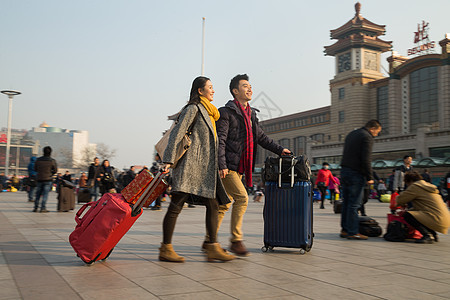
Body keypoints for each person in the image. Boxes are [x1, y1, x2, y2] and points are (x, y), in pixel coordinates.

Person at [211, 74, 291, 256]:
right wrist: (221, 164)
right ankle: (236, 240)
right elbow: (220, 140)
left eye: (250, 86)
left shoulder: (251, 114)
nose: (249, 89)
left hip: (240, 167)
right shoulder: (226, 112)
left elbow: (260, 138)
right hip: (228, 167)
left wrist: (280, 150)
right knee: (242, 198)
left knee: (224, 205)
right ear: (235, 91)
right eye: (245, 86)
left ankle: (210, 240)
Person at [160, 76, 234, 263]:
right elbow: (177, 133)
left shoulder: (210, 112)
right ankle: (166, 248)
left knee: (213, 204)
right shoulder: (193, 109)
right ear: (200, 91)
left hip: (205, 169)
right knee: (176, 205)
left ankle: (212, 247)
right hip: (190, 167)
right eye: (210, 87)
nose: (213, 90)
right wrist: (168, 160)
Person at [339, 120, 381, 240]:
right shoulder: (367, 137)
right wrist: (369, 177)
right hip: (356, 173)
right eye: (377, 132)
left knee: (346, 202)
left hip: (345, 171)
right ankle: (353, 232)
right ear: (372, 128)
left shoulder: (352, 134)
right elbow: (366, 158)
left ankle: (345, 230)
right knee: (354, 204)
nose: (376, 135)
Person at [396, 171, 450, 243]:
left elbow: (400, 199)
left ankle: (427, 235)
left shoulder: (415, 186)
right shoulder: (427, 186)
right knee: (415, 213)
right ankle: (433, 235)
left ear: (410, 181)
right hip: (445, 219)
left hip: (436, 219)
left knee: (408, 215)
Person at [33, 146, 57, 213]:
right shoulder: (52, 161)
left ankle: (36, 207)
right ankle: (43, 208)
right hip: (48, 179)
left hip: (39, 178)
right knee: (45, 195)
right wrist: (50, 173)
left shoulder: (38, 160)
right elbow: (55, 170)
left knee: (38, 194)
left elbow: (35, 169)